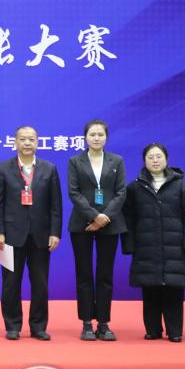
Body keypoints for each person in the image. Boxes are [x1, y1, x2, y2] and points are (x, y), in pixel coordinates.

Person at [123, 143, 185, 343]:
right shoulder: (135, 187)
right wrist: (129, 244)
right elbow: (128, 217)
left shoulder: (181, 185)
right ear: (144, 161)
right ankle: (153, 330)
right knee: (150, 289)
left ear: (166, 159)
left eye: (159, 157)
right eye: (151, 157)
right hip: (146, 246)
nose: (155, 161)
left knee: (174, 289)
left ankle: (175, 331)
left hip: (175, 246)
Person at [0, 125, 62, 340]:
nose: (27, 143)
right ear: (15, 142)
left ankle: (38, 326)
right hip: (9, 236)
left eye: (31, 139)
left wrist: (55, 232)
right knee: (10, 283)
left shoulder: (49, 169)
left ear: (37, 142)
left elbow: (56, 205)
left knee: (40, 283)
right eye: (23, 139)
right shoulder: (3, 168)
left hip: (41, 236)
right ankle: (12, 325)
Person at [67, 119, 126, 341]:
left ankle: (103, 323)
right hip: (82, 224)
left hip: (110, 224)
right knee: (84, 274)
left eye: (100, 134)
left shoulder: (116, 161)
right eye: (92, 134)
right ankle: (86, 323)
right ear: (85, 137)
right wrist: (94, 216)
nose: (96, 138)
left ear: (106, 137)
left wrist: (104, 218)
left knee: (105, 275)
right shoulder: (75, 161)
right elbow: (74, 192)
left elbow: (121, 192)